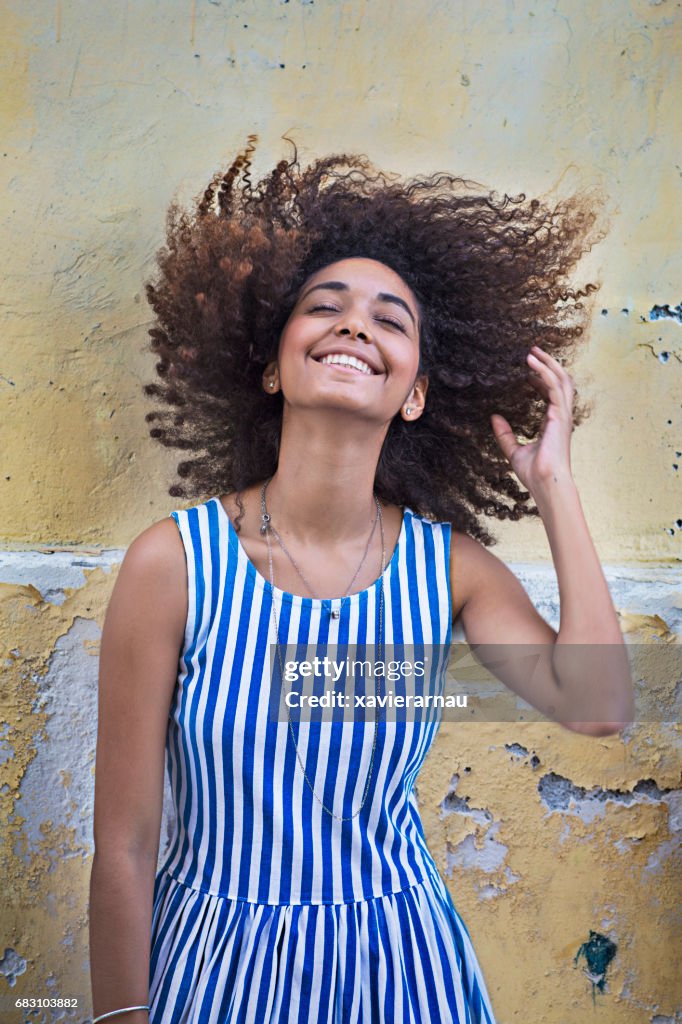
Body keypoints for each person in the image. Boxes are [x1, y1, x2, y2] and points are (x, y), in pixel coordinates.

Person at [89, 137, 634, 1023]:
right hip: (216, 971)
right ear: (272, 364)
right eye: (326, 306)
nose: (355, 326)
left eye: (391, 320)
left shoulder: (447, 572)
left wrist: (554, 487)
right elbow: (124, 841)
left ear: (415, 390)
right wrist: (121, 1016)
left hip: (404, 970)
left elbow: (600, 703)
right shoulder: (175, 565)